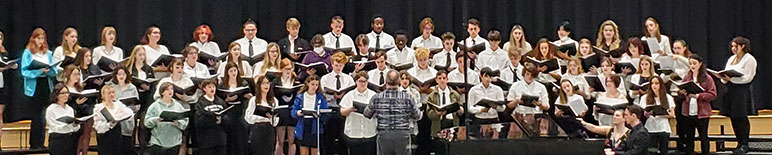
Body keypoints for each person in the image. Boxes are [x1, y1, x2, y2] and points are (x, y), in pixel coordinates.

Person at [364, 70, 423, 155]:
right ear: (399, 81)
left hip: (384, 134)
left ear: (386, 81)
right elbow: (418, 116)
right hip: (402, 135)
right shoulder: (408, 97)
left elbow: (367, 113)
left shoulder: (377, 97)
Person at [714, 36, 757, 154]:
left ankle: (744, 143)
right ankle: (738, 141)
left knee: (741, 117)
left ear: (743, 46)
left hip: (741, 90)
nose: (733, 49)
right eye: (732, 46)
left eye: (735, 46)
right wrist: (723, 78)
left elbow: (748, 77)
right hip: (730, 90)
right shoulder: (731, 58)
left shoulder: (749, 59)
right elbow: (726, 73)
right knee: (733, 117)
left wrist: (732, 79)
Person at [21, 28, 58, 149]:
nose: (40, 41)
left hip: (45, 85)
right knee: (36, 116)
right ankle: (34, 144)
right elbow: (24, 72)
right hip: (34, 86)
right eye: (38, 38)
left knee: (44, 115)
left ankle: (42, 143)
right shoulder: (27, 52)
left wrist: (49, 70)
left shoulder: (48, 53)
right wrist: (38, 71)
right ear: (33, 39)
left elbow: (54, 71)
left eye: (42, 38)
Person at [678, 54, 717, 155]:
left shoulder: (707, 78)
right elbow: (681, 93)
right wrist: (681, 93)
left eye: (694, 63)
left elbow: (713, 94)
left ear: (700, 64)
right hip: (688, 111)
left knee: (703, 136)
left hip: (702, 113)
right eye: (690, 63)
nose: (692, 66)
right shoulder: (687, 77)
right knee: (689, 137)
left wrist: (699, 96)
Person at [144, 82, 189, 155]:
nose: (170, 91)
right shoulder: (155, 106)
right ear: (162, 92)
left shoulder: (178, 106)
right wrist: (156, 120)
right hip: (158, 141)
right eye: (167, 89)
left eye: (171, 89)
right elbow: (146, 122)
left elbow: (185, 122)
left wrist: (177, 122)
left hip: (174, 142)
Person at [339, 71, 378, 155]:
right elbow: (342, 112)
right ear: (356, 81)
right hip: (354, 133)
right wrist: (349, 109)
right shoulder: (349, 95)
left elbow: (378, 112)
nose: (363, 83)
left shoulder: (373, 95)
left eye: (365, 81)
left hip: (369, 132)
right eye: (360, 81)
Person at [219, 62, 253, 155]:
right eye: (231, 71)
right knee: (230, 138)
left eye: (235, 70)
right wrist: (227, 99)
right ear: (227, 72)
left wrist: (247, 96)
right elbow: (219, 98)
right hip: (228, 111)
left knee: (241, 138)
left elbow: (250, 95)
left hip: (240, 110)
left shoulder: (243, 83)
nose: (234, 73)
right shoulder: (223, 85)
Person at [425, 70, 463, 155]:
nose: (442, 80)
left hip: (452, 123)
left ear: (447, 80)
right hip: (439, 123)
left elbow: (460, 108)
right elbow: (429, 112)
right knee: (440, 150)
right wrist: (437, 114)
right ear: (436, 80)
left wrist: (460, 111)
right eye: (440, 78)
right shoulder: (432, 96)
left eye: (444, 78)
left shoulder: (454, 94)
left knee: (452, 150)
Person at [291, 75, 329, 155]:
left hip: (315, 125)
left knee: (314, 150)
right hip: (303, 125)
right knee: (304, 151)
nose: (314, 87)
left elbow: (325, 112)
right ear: (307, 84)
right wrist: (297, 113)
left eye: (316, 85)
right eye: (312, 84)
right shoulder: (300, 97)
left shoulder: (320, 98)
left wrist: (319, 115)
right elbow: (293, 111)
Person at [93, 85, 136, 155]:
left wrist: (119, 116)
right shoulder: (99, 107)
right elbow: (97, 125)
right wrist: (108, 124)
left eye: (113, 92)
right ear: (103, 95)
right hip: (105, 135)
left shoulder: (118, 105)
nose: (111, 94)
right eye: (109, 93)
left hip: (116, 132)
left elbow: (129, 112)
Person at [637, 76, 674, 155]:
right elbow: (643, 113)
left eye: (656, 83)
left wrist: (660, 114)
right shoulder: (645, 98)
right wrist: (646, 114)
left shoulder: (668, 97)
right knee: (651, 151)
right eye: (652, 83)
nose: (654, 85)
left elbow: (672, 115)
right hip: (650, 128)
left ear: (661, 84)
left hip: (663, 128)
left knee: (664, 151)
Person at [272, 58, 300, 155]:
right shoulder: (276, 82)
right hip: (281, 111)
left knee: (292, 140)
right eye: (286, 69)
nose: (288, 71)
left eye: (290, 69)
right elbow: (272, 95)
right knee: (280, 140)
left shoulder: (296, 81)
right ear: (281, 69)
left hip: (292, 111)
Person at [468, 67, 506, 138]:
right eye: (486, 76)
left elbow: (503, 108)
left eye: (490, 77)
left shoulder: (498, 89)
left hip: (493, 119)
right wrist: (481, 110)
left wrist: (495, 106)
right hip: (480, 119)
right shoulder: (473, 90)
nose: (488, 79)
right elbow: (470, 108)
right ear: (481, 76)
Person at [246, 76, 279, 155]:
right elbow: (248, 117)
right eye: (263, 83)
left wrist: (271, 118)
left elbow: (276, 121)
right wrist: (260, 117)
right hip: (257, 129)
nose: (266, 86)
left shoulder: (274, 101)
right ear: (259, 86)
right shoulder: (254, 100)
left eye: (267, 83)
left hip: (269, 130)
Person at [194, 79, 228, 155]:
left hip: (220, 140)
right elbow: (198, 122)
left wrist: (222, 120)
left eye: (213, 86)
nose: (212, 89)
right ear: (204, 89)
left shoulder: (220, 102)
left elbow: (227, 118)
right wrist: (213, 118)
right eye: (209, 87)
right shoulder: (200, 103)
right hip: (206, 141)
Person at [45, 84, 80, 155]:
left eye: (67, 93)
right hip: (57, 139)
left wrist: (75, 125)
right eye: (62, 93)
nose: (66, 95)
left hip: (70, 139)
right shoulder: (51, 109)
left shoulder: (69, 109)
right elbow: (54, 127)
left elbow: (74, 128)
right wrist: (66, 125)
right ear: (56, 95)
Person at [0, 30, 18, 147]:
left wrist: (11, 66)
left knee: (0, 114)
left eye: (0, 38)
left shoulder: (4, 52)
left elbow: (6, 63)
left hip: (1, 85)